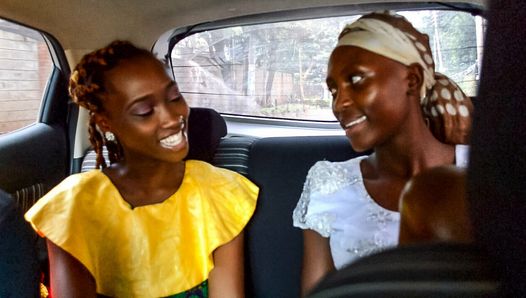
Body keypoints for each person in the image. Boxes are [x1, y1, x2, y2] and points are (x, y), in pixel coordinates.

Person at [25, 41, 259, 297]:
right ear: (106, 122)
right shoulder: (74, 206)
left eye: (174, 97)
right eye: (145, 111)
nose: (172, 117)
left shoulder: (219, 191)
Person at [292, 11, 474, 295]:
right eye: (333, 90)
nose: (340, 104)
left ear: (411, 80)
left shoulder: (484, 171)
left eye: (356, 79)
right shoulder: (328, 183)